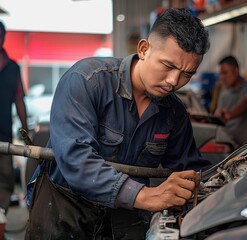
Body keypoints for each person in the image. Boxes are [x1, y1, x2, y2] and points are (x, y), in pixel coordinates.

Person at [25, 8, 211, 239]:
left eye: (187, 74)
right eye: (168, 66)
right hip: (65, 213)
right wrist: (146, 196)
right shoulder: (86, 81)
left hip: (123, 222)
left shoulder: (174, 113)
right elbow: (77, 160)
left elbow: (190, 168)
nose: (174, 81)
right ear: (144, 49)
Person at [0, 21, 28, 215]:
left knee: (5, 181)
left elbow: (19, 100)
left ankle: (1, 222)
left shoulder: (12, 68)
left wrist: (25, 130)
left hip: (4, 134)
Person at [214, 55, 247, 146]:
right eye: (220, 74)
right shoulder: (223, 93)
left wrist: (230, 114)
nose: (222, 77)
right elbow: (220, 117)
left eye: (225, 73)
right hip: (232, 146)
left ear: (236, 71)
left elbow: (246, 102)